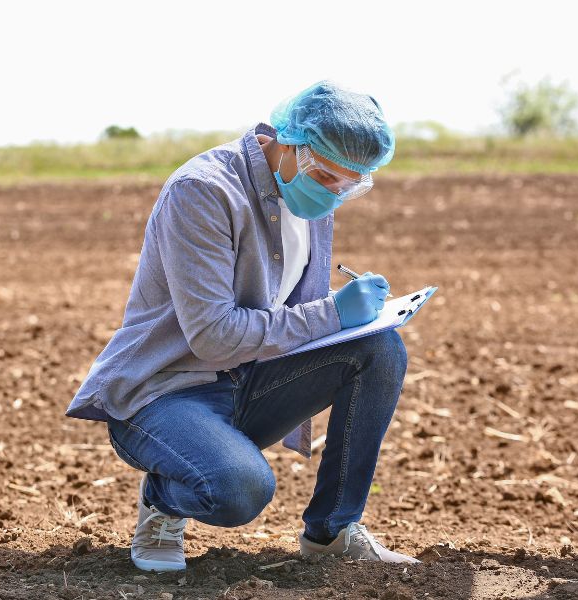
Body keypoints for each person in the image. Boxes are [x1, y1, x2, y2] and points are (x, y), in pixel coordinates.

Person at [66, 81, 420, 571]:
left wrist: (357, 319)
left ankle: (333, 533)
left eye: (349, 185)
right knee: (239, 490)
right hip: (166, 393)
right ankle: (164, 500)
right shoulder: (204, 192)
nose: (334, 194)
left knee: (380, 349)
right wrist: (335, 313)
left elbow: (291, 314)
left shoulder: (307, 196)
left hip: (247, 380)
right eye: (328, 178)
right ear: (292, 145)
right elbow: (213, 336)